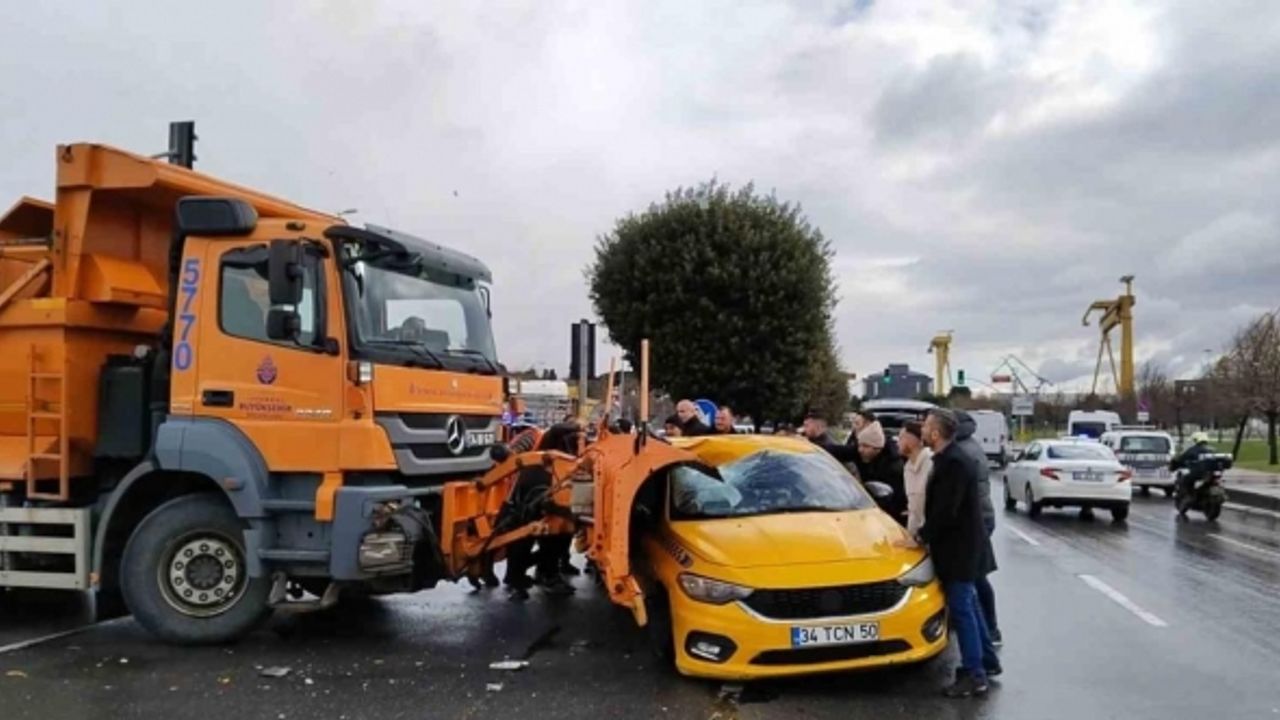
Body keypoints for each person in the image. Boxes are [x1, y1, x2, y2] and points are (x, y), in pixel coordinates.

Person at [918, 409, 1001, 698]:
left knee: (962, 610)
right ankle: (988, 661)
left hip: (959, 550)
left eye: (926, 426)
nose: (922, 429)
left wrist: (921, 537)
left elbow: (946, 512)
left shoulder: (953, 463)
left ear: (937, 434)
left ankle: (974, 674)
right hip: (966, 547)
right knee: (971, 606)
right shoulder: (951, 459)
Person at [501, 422, 581, 600]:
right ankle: (540, 576)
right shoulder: (542, 453)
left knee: (531, 540)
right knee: (537, 540)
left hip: (532, 499)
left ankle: (521, 577)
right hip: (530, 503)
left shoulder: (548, 457)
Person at [954, 410, 1002, 646]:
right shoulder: (968, 445)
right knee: (975, 575)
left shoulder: (963, 452)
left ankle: (990, 629)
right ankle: (989, 628)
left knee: (974, 576)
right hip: (982, 516)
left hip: (977, 519)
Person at [854, 421, 906, 524]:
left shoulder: (894, 468)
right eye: (859, 445)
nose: (860, 450)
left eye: (865, 446)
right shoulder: (867, 458)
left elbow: (893, 500)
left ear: (877, 448)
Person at [899, 420, 932, 536]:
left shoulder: (931, 462)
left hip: (932, 535)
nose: (898, 442)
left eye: (902, 437)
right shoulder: (908, 467)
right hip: (915, 534)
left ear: (914, 440)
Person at [1171, 431, 1214, 502]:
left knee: (1185, 480)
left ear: (1195, 440)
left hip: (1197, 473)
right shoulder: (1211, 450)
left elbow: (1181, 459)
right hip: (1209, 473)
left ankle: (1189, 496)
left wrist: (1176, 463)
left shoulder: (1192, 450)